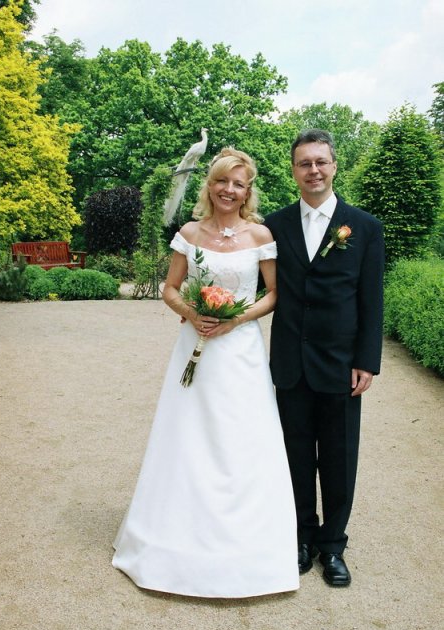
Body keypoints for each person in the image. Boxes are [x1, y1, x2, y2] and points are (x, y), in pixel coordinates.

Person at [112, 148, 299, 598]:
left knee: (241, 436)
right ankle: (172, 535)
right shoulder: (190, 233)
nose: (228, 190)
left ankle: (250, 544)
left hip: (240, 351)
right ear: (210, 185)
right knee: (188, 434)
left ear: (247, 191)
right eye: (221, 181)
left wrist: (235, 319)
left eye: (238, 184)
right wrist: (194, 313)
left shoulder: (261, 235)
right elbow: (170, 289)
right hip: (195, 346)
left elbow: (274, 294)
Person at [264, 129, 384, 587]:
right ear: (293, 170)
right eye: (304, 163)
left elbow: (371, 299)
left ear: (334, 165)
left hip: (341, 364)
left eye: (320, 162)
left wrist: (366, 360)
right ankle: (300, 537)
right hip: (290, 363)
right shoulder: (274, 226)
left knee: (339, 457)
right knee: (294, 457)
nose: (313, 170)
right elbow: (253, 282)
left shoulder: (365, 227)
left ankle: (333, 546)